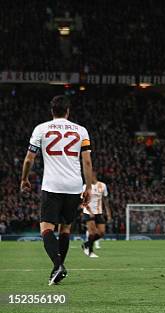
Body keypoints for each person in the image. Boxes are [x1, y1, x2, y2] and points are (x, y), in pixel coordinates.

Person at [20, 95, 94, 285]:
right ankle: (57, 268)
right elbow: (86, 161)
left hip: (52, 185)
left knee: (46, 228)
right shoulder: (81, 130)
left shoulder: (41, 128)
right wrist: (88, 187)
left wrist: (24, 178)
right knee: (65, 228)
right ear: (67, 111)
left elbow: (29, 159)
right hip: (74, 185)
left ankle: (58, 264)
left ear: (52, 111)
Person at [81, 172, 111, 258]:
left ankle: (86, 244)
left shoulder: (102, 186)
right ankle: (90, 251)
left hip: (99, 212)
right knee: (92, 232)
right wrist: (90, 212)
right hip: (88, 212)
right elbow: (83, 202)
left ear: (94, 175)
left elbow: (105, 200)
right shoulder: (85, 187)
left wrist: (109, 214)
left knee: (101, 233)